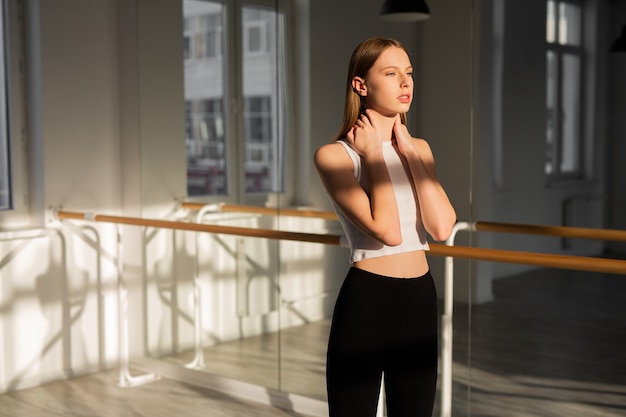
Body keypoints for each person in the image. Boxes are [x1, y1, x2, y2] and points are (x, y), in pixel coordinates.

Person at [313, 37, 457, 417]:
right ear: (361, 85)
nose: (405, 83)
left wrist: (408, 152)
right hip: (367, 304)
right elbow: (388, 230)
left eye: (408, 73)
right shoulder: (335, 156)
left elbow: (442, 226)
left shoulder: (419, 149)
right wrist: (375, 154)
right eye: (391, 73)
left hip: (421, 300)